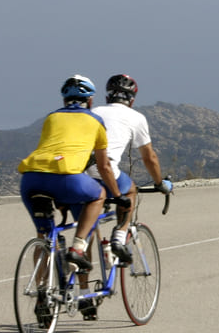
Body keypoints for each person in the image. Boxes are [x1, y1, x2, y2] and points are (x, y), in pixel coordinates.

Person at [18, 74, 126, 275]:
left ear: (64, 100)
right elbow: (104, 166)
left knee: (45, 237)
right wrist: (118, 196)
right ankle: (78, 247)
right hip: (65, 176)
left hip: (30, 178)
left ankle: (41, 290)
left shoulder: (51, 117)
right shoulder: (96, 121)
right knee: (99, 194)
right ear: (90, 100)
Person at [89, 73, 173, 263]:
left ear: (108, 97)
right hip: (107, 169)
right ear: (132, 100)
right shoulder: (136, 117)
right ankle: (119, 236)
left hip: (83, 172)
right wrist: (160, 183)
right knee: (130, 190)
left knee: (88, 225)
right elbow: (149, 158)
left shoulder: (94, 111)